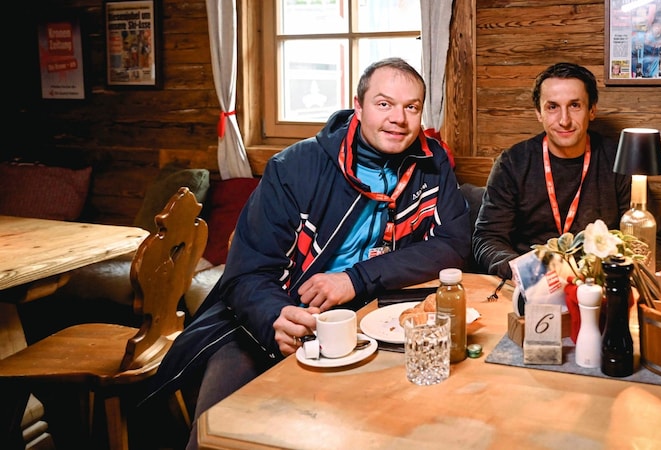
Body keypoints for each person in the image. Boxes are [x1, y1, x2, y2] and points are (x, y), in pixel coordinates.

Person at [142, 57, 472, 448]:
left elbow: (453, 245)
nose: (398, 118)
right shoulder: (294, 167)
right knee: (221, 430)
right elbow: (247, 272)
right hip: (275, 316)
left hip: (376, 315)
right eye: (384, 103)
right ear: (359, 105)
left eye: (411, 107)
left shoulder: (432, 164)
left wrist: (355, 279)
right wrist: (275, 319)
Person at [472, 62, 632, 280]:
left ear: (592, 110)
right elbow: (487, 238)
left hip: (599, 281)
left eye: (575, 105)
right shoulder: (512, 162)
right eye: (552, 107)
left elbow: (644, 239)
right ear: (539, 113)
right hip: (531, 282)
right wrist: (521, 273)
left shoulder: (619, 160)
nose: (564, 120)